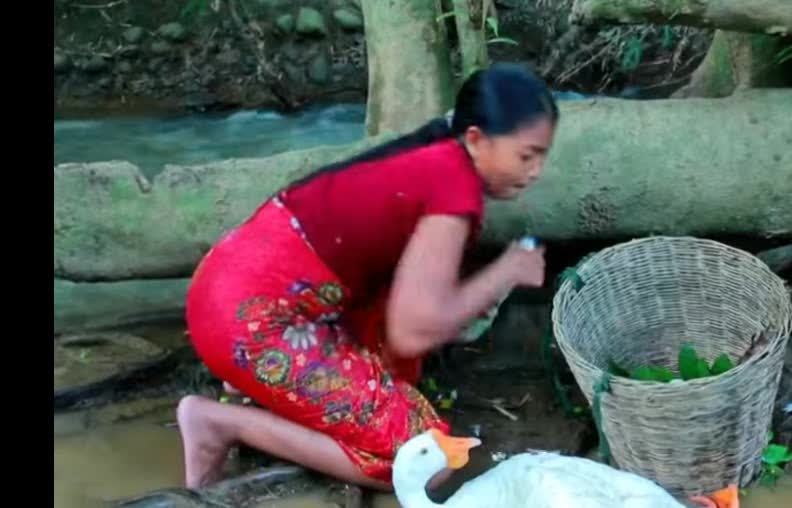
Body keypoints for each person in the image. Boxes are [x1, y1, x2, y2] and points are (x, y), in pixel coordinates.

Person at [178, 63, 559, 491]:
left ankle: (246, 390)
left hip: (229, 288)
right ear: (475, 139)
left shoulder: (436, 154)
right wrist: (505, 271)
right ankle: (219, 424)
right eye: (527, 155)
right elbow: (412, 333)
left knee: (398, 398)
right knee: (425, 458)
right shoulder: (452, 186)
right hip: (249, 323)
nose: (536, 171)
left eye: (542, 156)